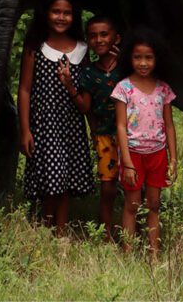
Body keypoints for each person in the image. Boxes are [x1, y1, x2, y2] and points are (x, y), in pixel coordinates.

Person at [17, 0, 95, 234]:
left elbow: (87, 92)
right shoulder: (35, 48)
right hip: (45, 125)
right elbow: (25, 90)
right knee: (51, 181)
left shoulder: (82, 51)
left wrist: (93, 129)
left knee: (65, 183)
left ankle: (60, 233)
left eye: (67, 13)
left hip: (71, 125)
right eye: (56, 11)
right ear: (46, 14)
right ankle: (45, 229)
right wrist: (26, 129)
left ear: (74, 16)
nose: (61, 17)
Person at [111, 31, 177, 260]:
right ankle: (128, 253)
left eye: (148, 57)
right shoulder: (123, 88)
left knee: (154, 204)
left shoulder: (163, 89)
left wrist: (174, 159)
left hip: (157, 154)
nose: (143, 63)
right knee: (132, 204)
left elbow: (169, 126)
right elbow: (120, 126)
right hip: (134, 154)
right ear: (129, 58)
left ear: (157, 59)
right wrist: (126, 162)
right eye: (138, 57)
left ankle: (154, 254)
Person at [72, 14, 126, 241]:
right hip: (104, 136)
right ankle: (107, 233)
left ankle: (136, 230)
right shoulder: (88, 73)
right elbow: (85, 106)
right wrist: (68, 85)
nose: (99, 40)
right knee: (107, 186)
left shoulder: (126, 68)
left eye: (104, 34)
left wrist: (124, 61)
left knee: (135, 184)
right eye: (93, 36)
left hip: (132, 137)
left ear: (116, 38)